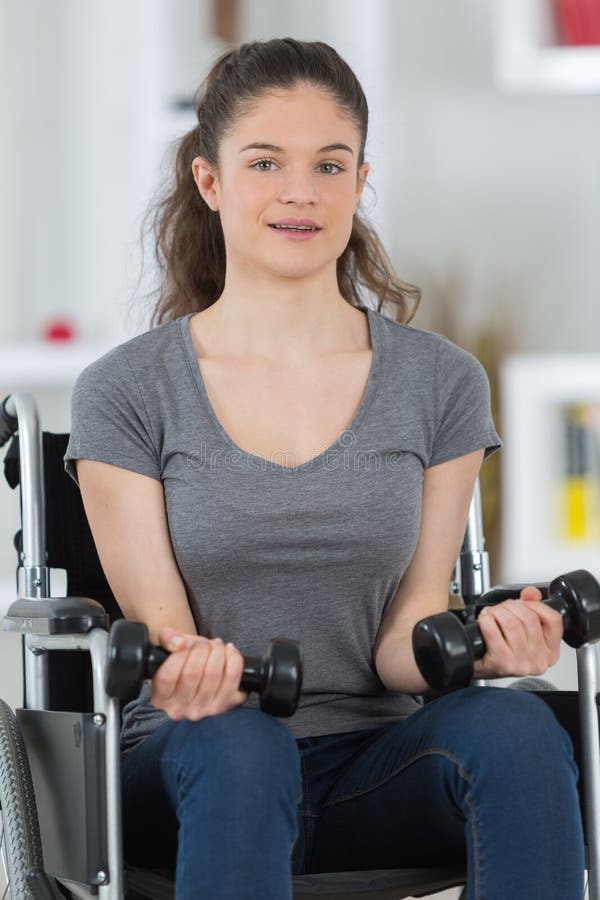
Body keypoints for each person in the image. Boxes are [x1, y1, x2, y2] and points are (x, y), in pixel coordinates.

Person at [63, 37, 584, 900]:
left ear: (360, 181)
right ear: (210, 181)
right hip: (193, 762)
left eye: (329, 164)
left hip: (372, 766)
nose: (301, 192)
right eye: (265, 162)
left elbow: (402, 641)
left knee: (517, 730)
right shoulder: (127, 388)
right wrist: (187, 670)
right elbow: (163, 638)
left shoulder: (439, 381)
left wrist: (485, 657)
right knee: (243, 741)